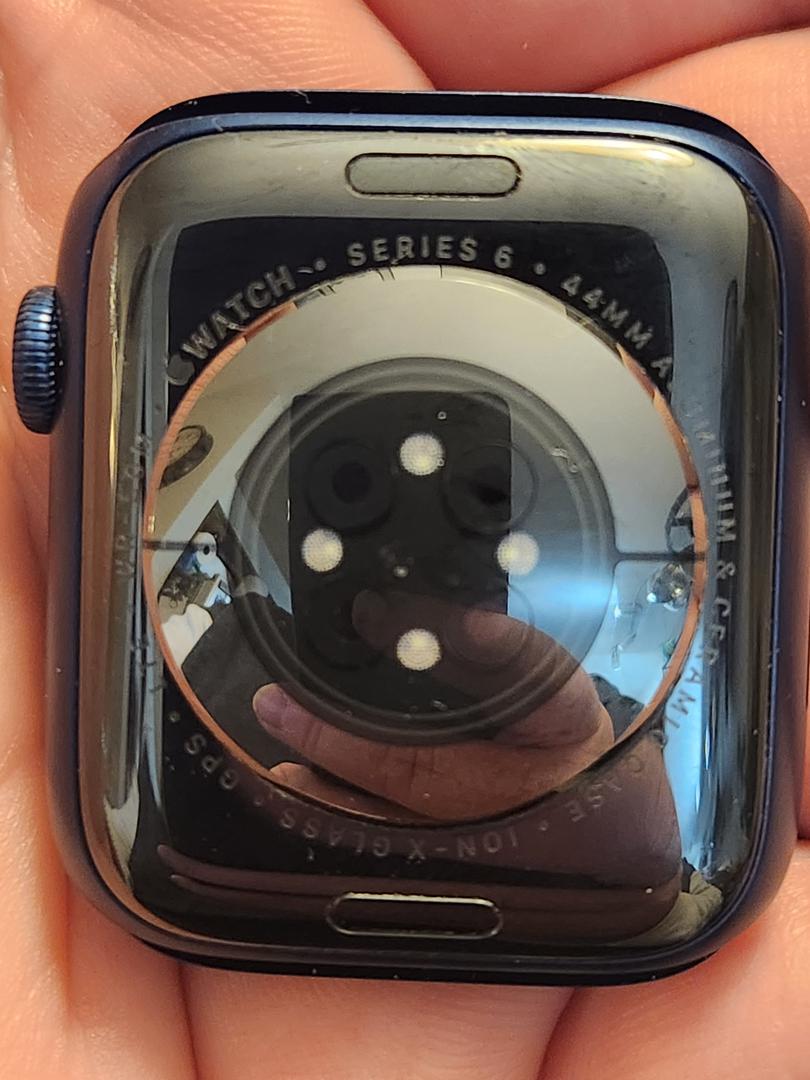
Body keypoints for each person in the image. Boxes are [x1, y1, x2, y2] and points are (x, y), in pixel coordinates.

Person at [2, 2, 810, 1076]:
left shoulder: (589, 709)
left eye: (486, 498)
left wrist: (625, 827)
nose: (408, 546)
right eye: (344, 485)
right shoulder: (220, 638)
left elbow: (656, 854)